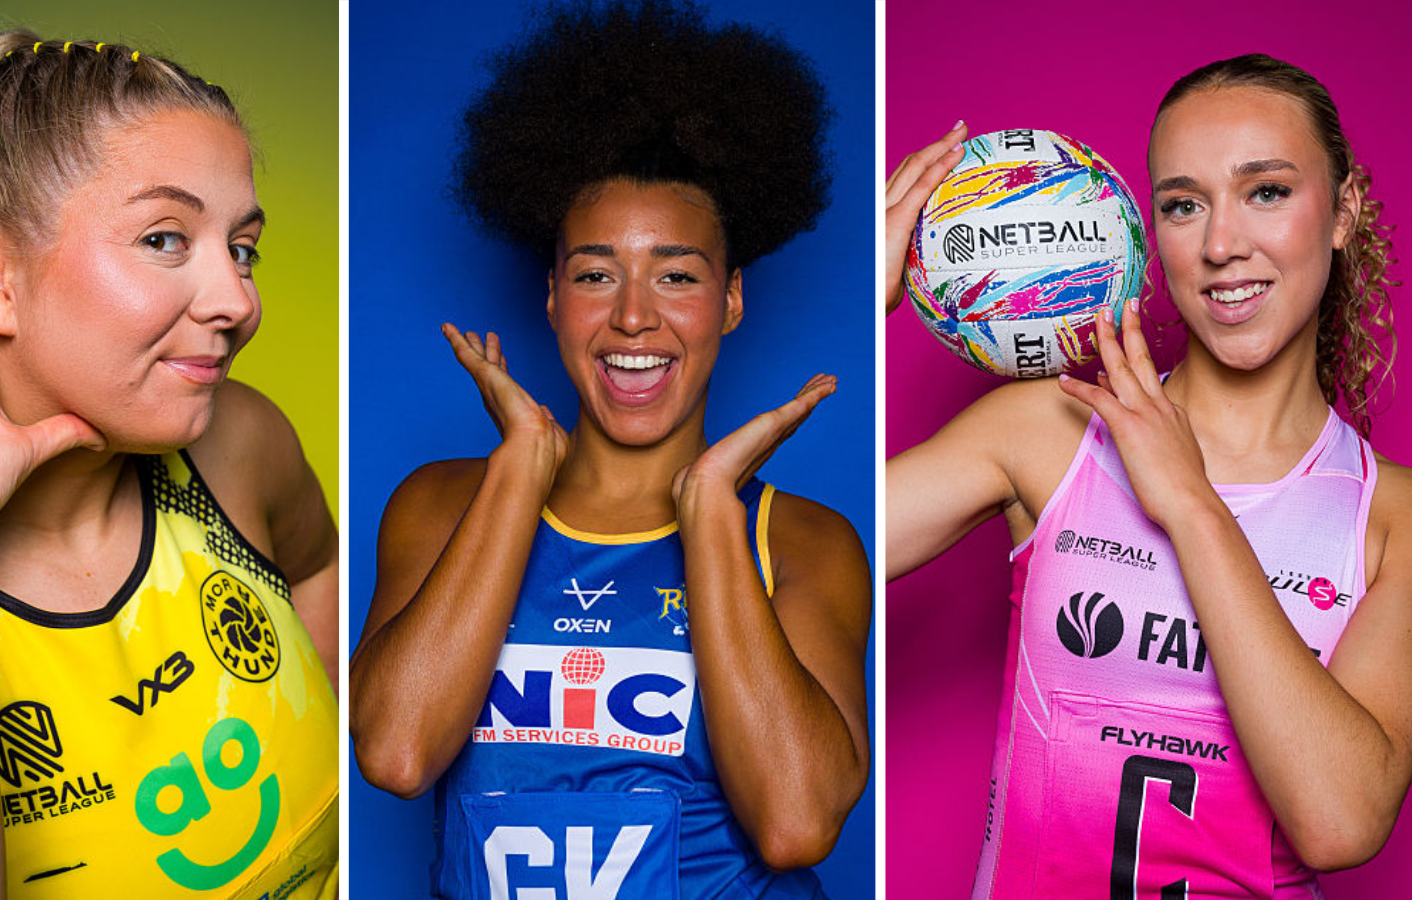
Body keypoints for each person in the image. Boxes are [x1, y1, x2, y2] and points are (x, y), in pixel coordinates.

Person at [347, 2, 872, 897]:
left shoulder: (801, 541)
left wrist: (710, 508)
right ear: (552, 296)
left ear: (732, 301)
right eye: (595, 274)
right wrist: (519, 466)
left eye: (676, 274)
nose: (633, 316)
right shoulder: (439, 504)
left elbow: (794, 824)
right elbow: (397, 753)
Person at [0, 31, 339, 898]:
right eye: (166, 239)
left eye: (242, 249)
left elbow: (317, 567)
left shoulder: (241, 444)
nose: (236, 302)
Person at [887, 54, 1412, 897]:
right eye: (1182, 204)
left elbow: (1340, 821)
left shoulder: (1392, 519)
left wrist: (1192, 506)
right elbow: (761, 548)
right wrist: (862, 306)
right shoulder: (1050, 431)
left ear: (1345, 210)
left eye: (1266, 191)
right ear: (1146, 229)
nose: (1220, 246)